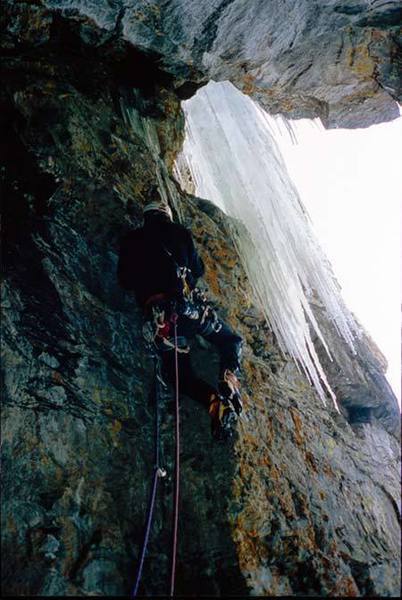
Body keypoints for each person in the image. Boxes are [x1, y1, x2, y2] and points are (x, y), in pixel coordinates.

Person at [117, 194, 243, 440]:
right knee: (230, 341)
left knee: (182, 378)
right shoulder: (181, 234)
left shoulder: (131, 240)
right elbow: (198, 271)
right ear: (167, 215)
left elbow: (125, 281)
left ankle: (213, 403)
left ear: (146, 217)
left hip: (161, 320)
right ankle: (228, 378)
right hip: (190, 311)